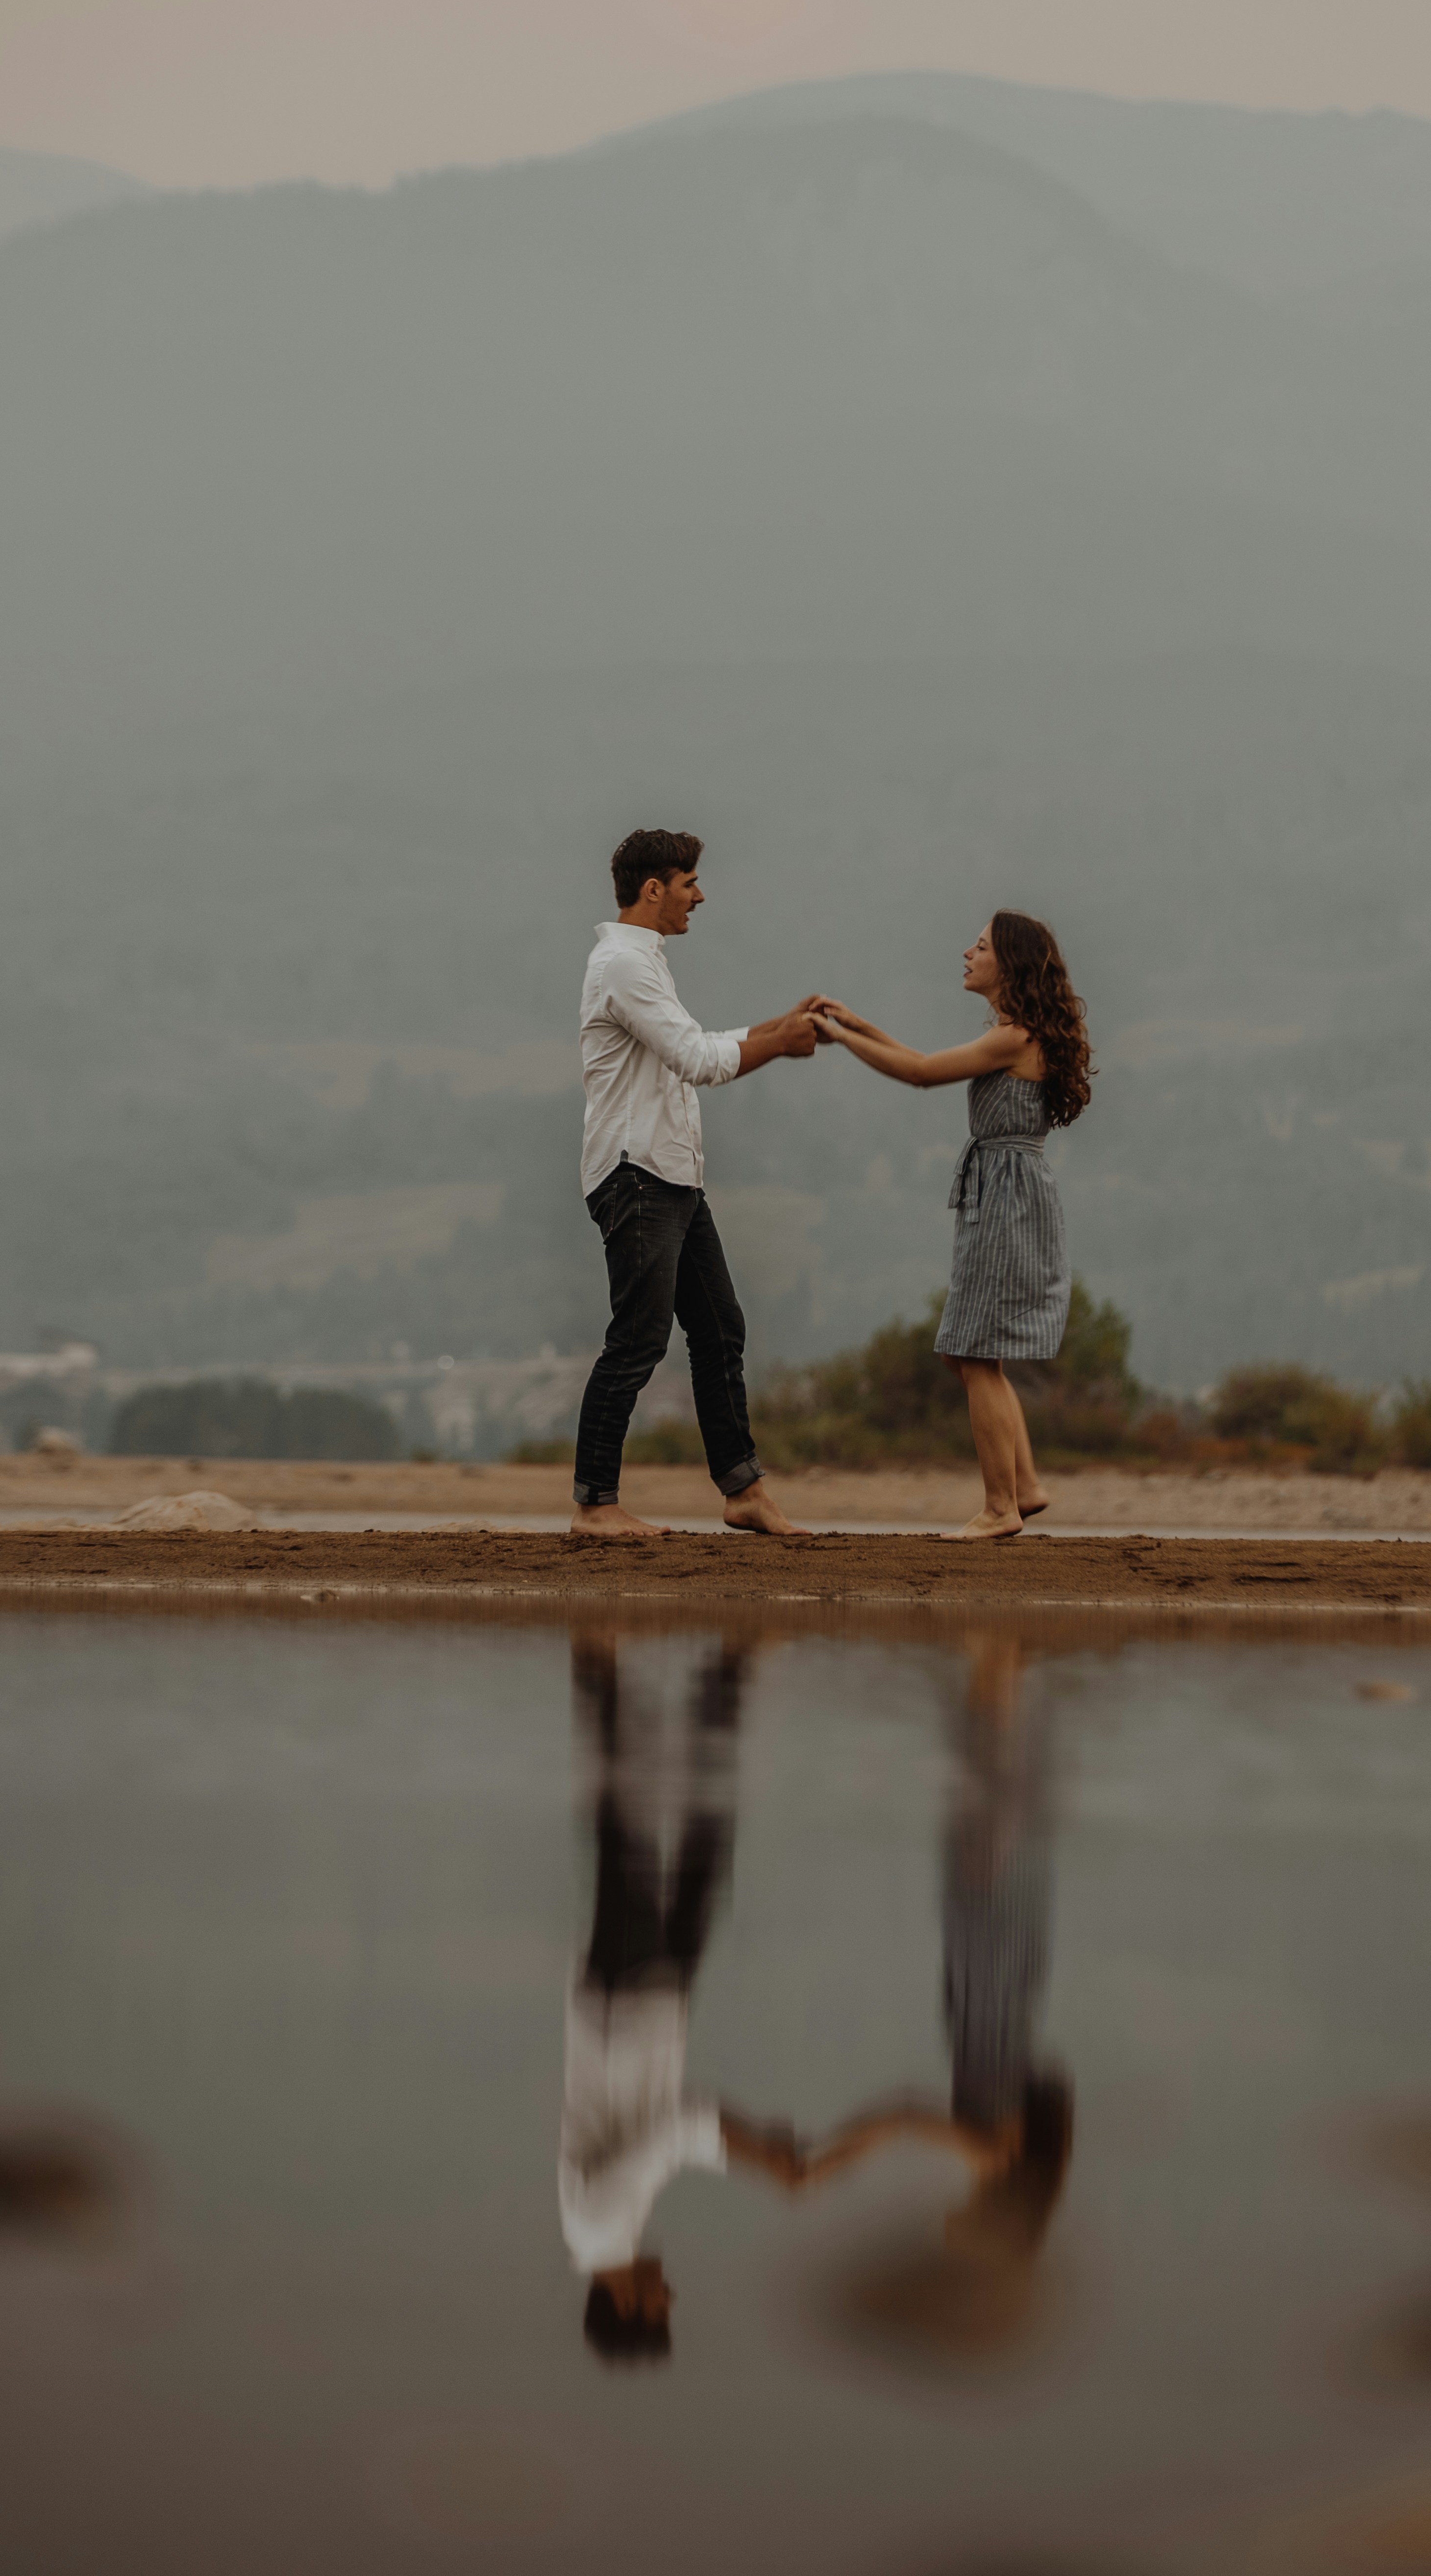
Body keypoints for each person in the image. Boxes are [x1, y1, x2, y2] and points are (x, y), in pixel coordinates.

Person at [793, 1636, 1073, 2363]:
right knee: (993, 1781)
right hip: (989, 1927)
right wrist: (831, 2159)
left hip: (1000, 1927)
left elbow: (912, 2117)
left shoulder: (1005, 2132)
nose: (953, 2228)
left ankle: (1000, 1656)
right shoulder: (994, 2146)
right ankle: (1000, 1651)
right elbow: (903, 2117)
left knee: (998, 1785)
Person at [561, 1634, 804, 2364]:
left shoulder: (598, 2230)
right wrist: (756, 2147)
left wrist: (759, 2154)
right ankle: (722, 1678)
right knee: (705, 1842)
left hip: (623, 2001)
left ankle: (600, 1666)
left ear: (628, 2304)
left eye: (661, 2308)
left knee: (628, 1830)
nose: (672, 2295)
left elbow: (668, 2135)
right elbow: (669, 2134)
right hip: (655, 2004)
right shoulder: (614, 2232)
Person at [810, 912, 1093, 1538]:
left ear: (1009, 965)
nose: (967, 953)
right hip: (1006, 1191)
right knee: (969, 1353)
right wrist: (854, 1024)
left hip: (1005, 1198)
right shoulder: (1014, 1035)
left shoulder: (1015, 1037)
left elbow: (918, 1074)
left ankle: (1000, 1508)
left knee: (972, 1353)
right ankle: (1025, 1486)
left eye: (982, 946)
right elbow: (919, 1058)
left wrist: (836, 1034)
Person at [574, 828, 819, 1540]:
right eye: (690, 884)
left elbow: (693, 1042)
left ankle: (744, 1492)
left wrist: (783, 1024)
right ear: (654, 890)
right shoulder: (623, 964)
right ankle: (594, 1505)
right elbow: (698, 1059)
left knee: (719, 1331)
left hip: (672, 1176)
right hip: (637, 1174)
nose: (700, 896)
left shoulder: (640, 961)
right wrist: (780, 1043)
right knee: (640, 1339)